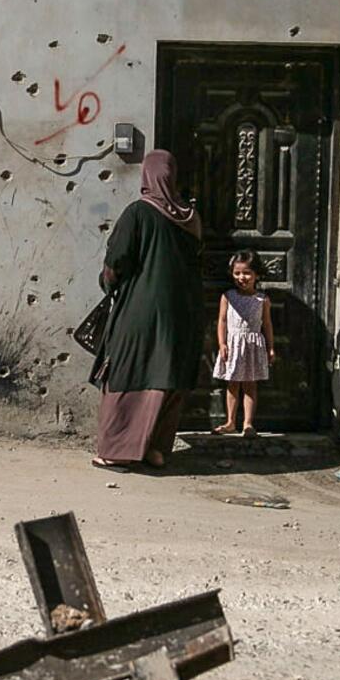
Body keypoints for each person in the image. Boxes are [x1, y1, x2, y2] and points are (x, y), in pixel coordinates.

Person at [90, 150, 203, 469]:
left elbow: (117, 262)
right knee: (168, 376)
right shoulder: (191, 218)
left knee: (127, 371)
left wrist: (108, 282)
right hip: (185, 312)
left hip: (142, 310)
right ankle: (155, 449)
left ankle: (116, 450)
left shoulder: (138, 212)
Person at [212, 250, 276, 436]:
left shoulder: (262, 299)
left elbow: (268, 324)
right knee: (232, 384)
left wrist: (270, 348)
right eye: (237, 273)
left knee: (249, 385)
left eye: (247, 272)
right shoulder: (228, 297)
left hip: (252, 346)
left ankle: (248, 423)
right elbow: (222, 321)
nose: (242, 277)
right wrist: (222, 343)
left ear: (256, 274)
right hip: (233, 345)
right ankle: (230, 421)